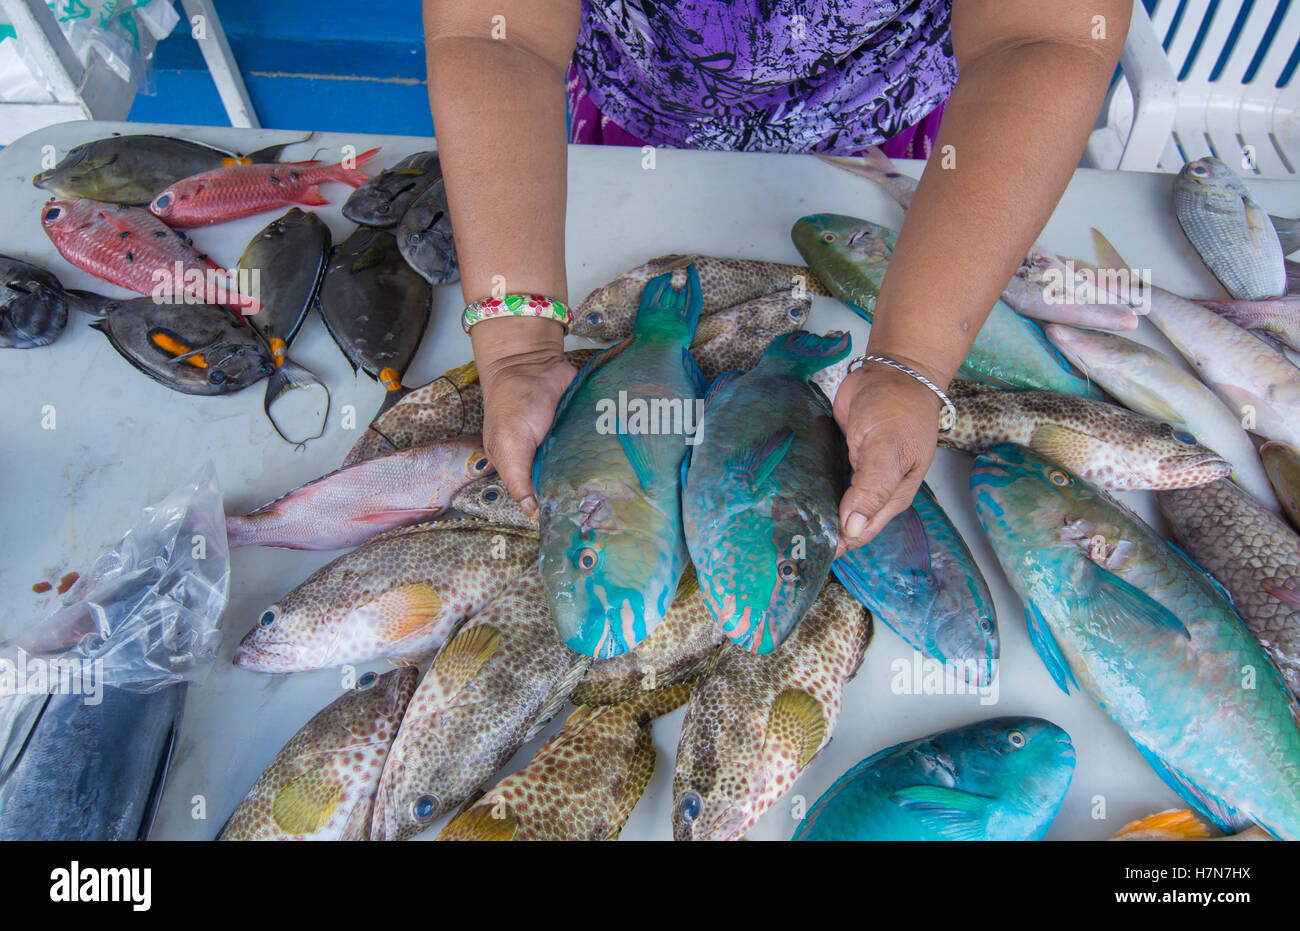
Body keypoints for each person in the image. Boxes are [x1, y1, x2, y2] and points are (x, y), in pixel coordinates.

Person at [422, 0, 1130, 551]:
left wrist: (913, 358)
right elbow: (497, 30)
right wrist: (517, 341)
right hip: (632, 127)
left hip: (926, 150)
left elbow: (1044, 33)